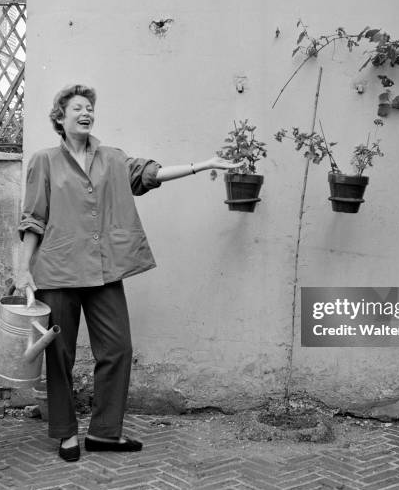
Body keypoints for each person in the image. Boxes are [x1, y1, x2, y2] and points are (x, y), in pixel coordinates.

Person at [15, 84, 241, 462]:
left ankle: (104, 433)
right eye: (77, 108)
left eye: (90, 108)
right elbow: (32, 219)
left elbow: (148, 174)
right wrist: (23, 270)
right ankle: (66, 433)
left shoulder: (112, 159)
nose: (86, 113)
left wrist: (203, 165)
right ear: (60, 117)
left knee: (118, 349)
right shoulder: (44, 161)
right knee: (59, 356)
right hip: (56, 272)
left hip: (105, 270)